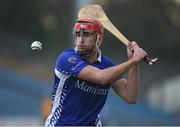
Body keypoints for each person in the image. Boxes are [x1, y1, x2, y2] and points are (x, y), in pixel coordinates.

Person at [45, 18, 147, 126]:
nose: (80, 40)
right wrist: (133, 61)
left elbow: (130, 96)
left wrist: (134, 63)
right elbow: (102, 77)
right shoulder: (67, 58)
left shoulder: (108, 66)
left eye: (87, 35)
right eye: (78, 34)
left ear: (99, 39)